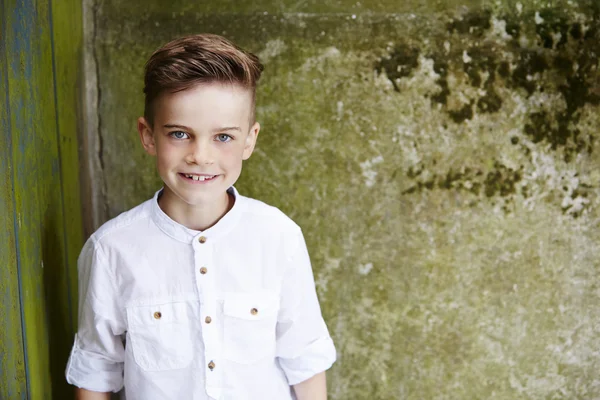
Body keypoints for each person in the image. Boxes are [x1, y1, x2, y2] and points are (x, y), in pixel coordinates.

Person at [65, 33, 336, 400]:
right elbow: (96, 371)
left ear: (250, 140)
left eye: (223, 137)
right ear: (148, 136)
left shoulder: (279, 237)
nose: (201, 156)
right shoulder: (111, 249)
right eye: (180, 134)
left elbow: (304, 359)